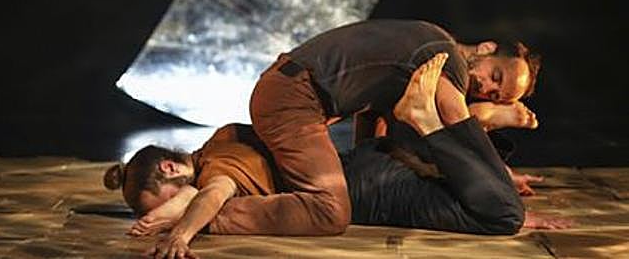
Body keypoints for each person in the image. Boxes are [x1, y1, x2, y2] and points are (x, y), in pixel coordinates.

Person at [103, 54, 567, 259]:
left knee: (500, 214)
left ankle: (458, 123)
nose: (177, 206)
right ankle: (476, 125)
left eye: (168, 200)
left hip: (367, 191)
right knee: (497, 203)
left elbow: (211, 196)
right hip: (363, 164)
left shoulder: (217, 170)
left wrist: (182, 230)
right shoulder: (225, 137)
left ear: (170, 168)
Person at [199, 19, 540, 237]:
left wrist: (371, 162)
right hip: (294, 96)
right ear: (486, 49)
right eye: (495, 75)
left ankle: (219, 189)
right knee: (330, 210)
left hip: (290, 92)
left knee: (345, 183)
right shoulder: (447, 57)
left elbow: (373, 115)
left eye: (494, 95)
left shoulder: (427, 48)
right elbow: (454, 118)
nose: (486, 87)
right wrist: (487, 123)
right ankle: (213, 217)